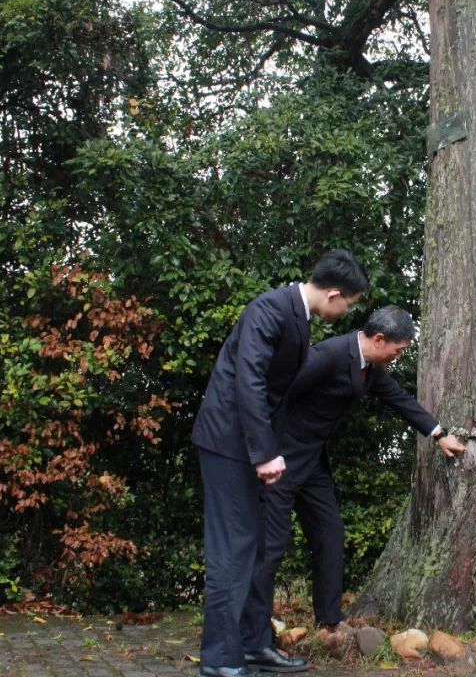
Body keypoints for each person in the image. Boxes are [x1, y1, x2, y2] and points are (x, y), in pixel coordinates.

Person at [242, 306, 466, 661]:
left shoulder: (370, 369)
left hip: (313, 465)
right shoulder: (329, 355)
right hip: (280, 461)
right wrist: (262, 450)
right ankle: (252, 636)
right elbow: (276, 393)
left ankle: (330, 618)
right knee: (272, 546)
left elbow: (399, 399)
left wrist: (439, 434)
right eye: (399, 349)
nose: (399, 355)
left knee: (330, 532)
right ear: (379, 340)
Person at [191, 250, 369, 677]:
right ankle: (218, 661)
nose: (347, 313)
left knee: (256, 552)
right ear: (333, 294)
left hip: (250, 449)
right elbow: (248, 382)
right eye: (349, 304)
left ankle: (253, 647)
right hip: (227, 446)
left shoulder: (298, 317)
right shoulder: (269, 309)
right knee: (231, 554)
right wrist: (266, 452)